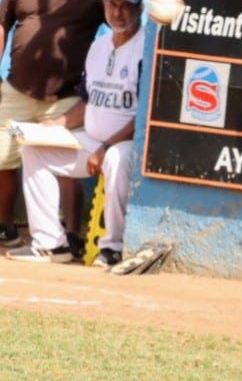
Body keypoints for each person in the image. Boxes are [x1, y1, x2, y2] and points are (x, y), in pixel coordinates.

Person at [5, 0, 141, 266]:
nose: (118, 13)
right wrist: (58, 124)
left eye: (126, 6)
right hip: (92, 140)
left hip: (126, 144)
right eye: (113, 5)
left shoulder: (144, 52)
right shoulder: (98, 48)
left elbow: (143, 117)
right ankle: (50, 244)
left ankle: (112, 249)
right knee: (34, 149)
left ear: (140, 9)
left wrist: (107, 147)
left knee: (116, 159)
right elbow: (87, 102)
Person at [0, 0, 106, 248]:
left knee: (66, 165)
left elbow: (120, 16)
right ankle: (5, 226)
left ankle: (72, 234)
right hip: (17, 90)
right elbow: (2, 23)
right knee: (3, 159)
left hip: (67, 96)